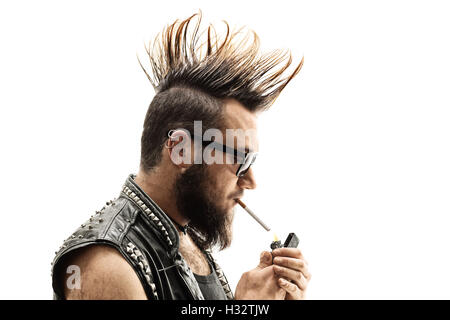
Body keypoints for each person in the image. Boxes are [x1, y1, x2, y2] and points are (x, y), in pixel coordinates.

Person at [51, 12, 311, 300]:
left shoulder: (186, 240)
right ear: (181, 150)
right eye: (241, 160)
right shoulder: (106, 264)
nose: (250, 180)